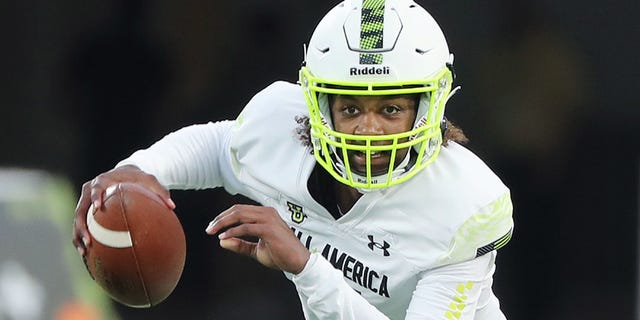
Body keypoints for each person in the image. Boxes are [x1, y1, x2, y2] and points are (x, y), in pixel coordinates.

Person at [72, 0, 514, 319]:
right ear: (320, 107)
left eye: (391, 109)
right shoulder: (282, 131)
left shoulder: (465, 205)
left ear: (429, 107)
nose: (369, 129)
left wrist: (305, 265)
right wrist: (139, 171)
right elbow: (219, 147)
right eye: (352, 109)